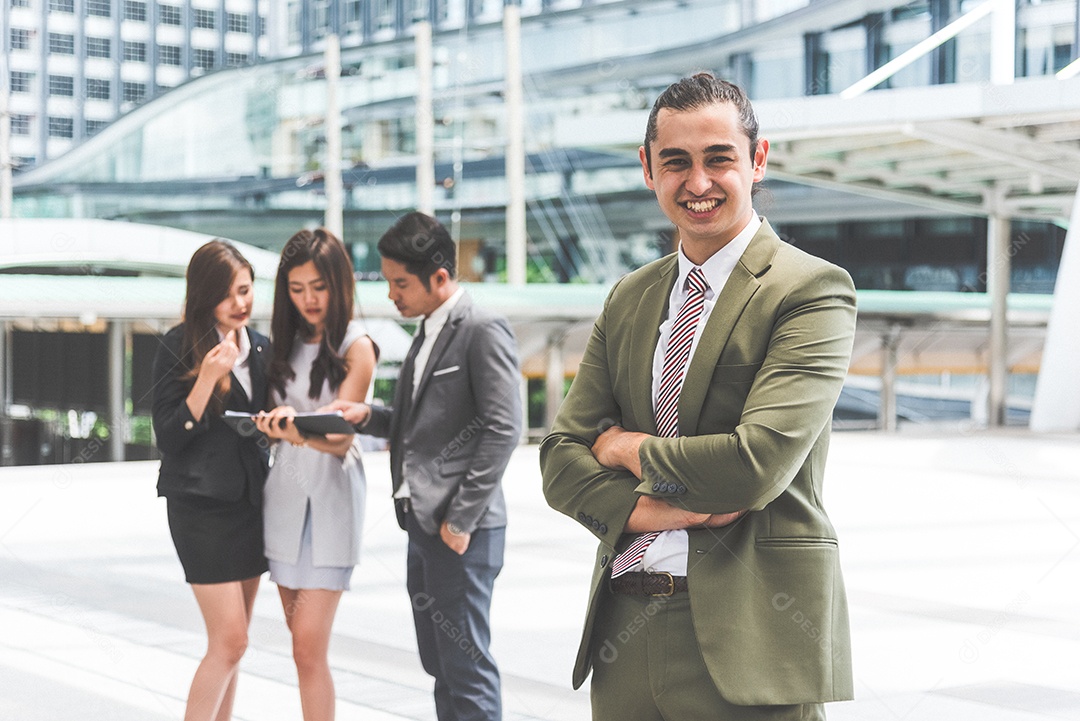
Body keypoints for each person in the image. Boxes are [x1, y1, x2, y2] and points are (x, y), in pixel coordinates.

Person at [539, 73, 857, 720]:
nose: (699, 182)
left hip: (749, 644)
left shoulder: (810, 290)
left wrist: (627, 447)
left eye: (720, 158)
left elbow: (754, 464)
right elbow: (560, 459)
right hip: (624, 633)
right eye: (676, 162)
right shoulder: (629, 297)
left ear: (758, 160)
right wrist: (651, 512)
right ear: (648, 168)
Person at [326, 211, 522, 721]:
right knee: (440, 665)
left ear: (439, 277)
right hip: (423, 525)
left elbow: (503, 428)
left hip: (461, 532)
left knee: (467, 667)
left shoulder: (480, 329)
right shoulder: (427, 331)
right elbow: (420, 426)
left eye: (400, 283)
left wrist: (461, 520)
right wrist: (367, 415)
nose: (391, 294)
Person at [253, 228, 378, 721]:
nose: (308, 299)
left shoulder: (357, 347)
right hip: (283, 500)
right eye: (297, 288)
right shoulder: (282, 345)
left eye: (318, 287)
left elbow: (342, 437)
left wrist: (291, 431)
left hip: (330, 501)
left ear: (339, 284)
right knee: (299, 648)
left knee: (308, 648)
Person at [151, 240, 271, 721]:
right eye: (228, 295)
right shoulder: (176, 345)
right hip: (201, 510)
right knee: (230, 640)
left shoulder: (260, 347)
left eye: (245, 290)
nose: (240, 303)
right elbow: (167, 436)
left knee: (235, 643)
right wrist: (206, 379)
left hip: (250, 504)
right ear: (205, 296)